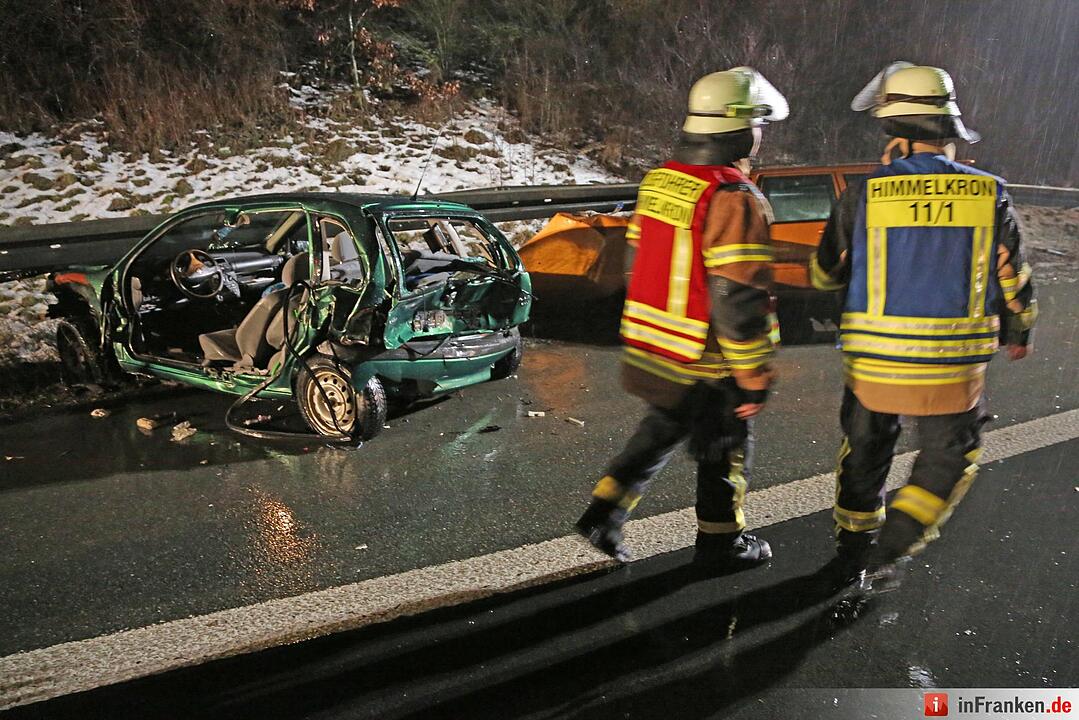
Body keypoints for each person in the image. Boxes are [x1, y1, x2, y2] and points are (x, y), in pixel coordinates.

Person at [810, 63, 1037, 597]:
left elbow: (823, 273)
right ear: (951, 134)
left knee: (865, 451)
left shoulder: (864, 193)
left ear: (894, 136)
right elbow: (1013, 278)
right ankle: (896, 546)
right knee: (948, 457)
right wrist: (1020, 330)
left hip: (874, 367)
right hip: (954, 368)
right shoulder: (989, 193)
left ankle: (852, 548)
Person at [575, 67, 786, 569]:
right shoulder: (734, 197)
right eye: (757, 123)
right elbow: (738, 295)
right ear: (737, 128)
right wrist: (753, 374)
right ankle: (722, 544)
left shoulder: (661, 181)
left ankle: (604, 509)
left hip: (653, 346)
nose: (759, 135)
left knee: (662, 429)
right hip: (707, 359)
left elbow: (636, 259)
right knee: (725, 450)